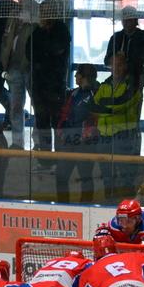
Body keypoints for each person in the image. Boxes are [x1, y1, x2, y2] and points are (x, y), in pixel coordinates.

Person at [91, 52, 141, 200]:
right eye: (113, 65)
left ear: (125, 66)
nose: (116, 68)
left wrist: (104, 108)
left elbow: (122, 104)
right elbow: (93, 106)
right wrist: (110, 109)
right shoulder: (105, 85)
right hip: (104, 136)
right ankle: (108, 205)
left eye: (119, 64)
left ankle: (128, 208)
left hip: (123, 136)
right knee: (106, 176)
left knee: (126, 176)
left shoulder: (132, 85)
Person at [0, 0, 37, 149]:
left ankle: (38, 142)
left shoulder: (38, 13)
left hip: (30, 66)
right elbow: (7, 37)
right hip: (13, 65)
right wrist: (4, 60)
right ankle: (17, 142)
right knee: (15, 105)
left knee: (36, 104)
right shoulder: (14, 12)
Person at [30, 0, 71, 153]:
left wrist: (43, 55)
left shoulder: (62, 30)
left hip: (55, 84)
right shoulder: (37, 31)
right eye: (42, 12)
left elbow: (56, 50)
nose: (44, 15)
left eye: (47, 11)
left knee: (57, 121)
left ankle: (60, 155)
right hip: (39, 84)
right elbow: (30, 52)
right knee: (42, 122)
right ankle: (45, 157)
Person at [55, 63, 99, 202]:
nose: (75, 76)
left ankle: (85, 208)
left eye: (77, 74)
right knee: (61, 176)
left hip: (84, 144)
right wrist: (61, 130)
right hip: (69, 141)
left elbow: (96, 117)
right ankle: (63, 205)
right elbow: (65, 113)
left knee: (85, 176)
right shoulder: (74, 93)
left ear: (83, 76)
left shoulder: (95, 93)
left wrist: (87, 134)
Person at [103, 5, 144, 97]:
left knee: (133, 109)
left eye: (129, 20)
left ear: (135, 21)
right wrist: (116, 60)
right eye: (124, 20)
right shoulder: (116, 38)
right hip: (116, 82)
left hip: (135, 83)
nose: (126, 23)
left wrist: (140, 83)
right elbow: (106, 61)